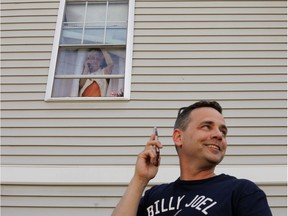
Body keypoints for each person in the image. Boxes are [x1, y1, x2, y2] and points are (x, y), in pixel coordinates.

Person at [112, 100, 272, 216]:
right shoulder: (153, 197)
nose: (219, 135)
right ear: (178, 137)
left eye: (223, 131)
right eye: (206, 126)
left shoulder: (242, 192)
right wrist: (140, 179)